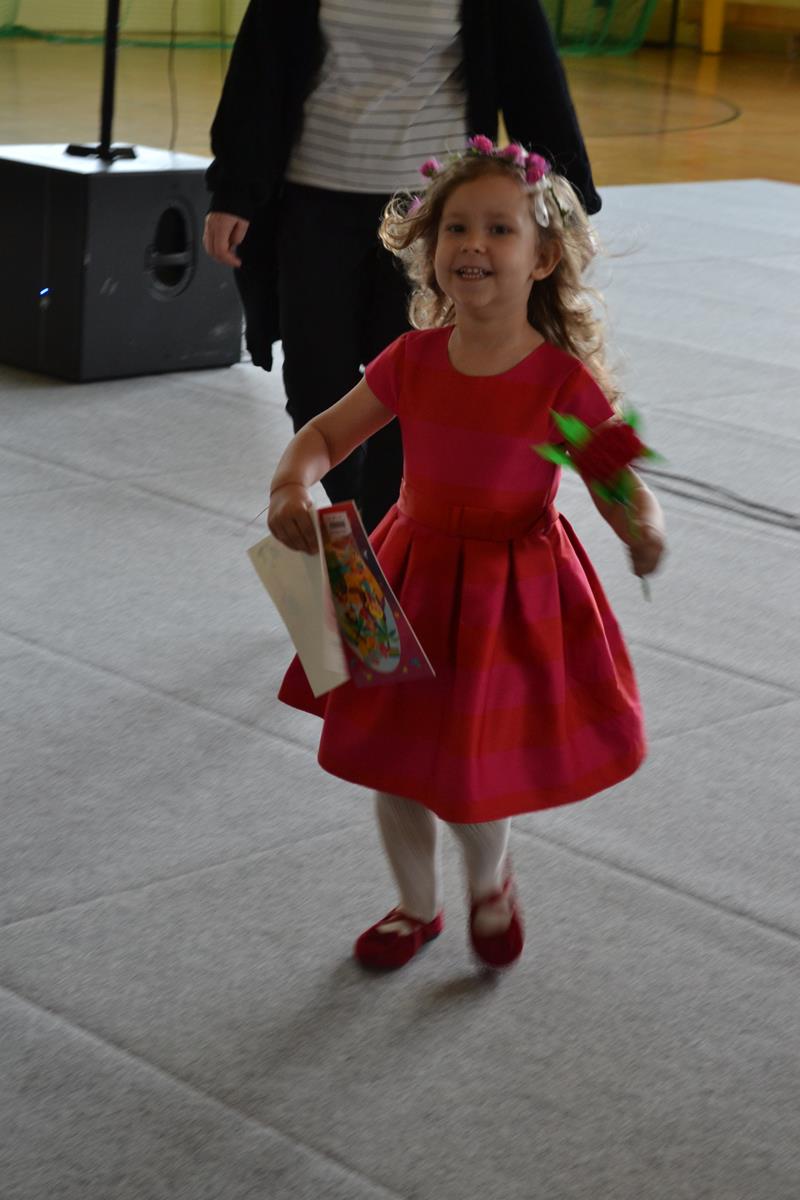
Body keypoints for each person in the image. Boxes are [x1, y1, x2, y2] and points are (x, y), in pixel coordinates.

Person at [267, 139, 666, 971]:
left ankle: (488, 882)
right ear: (430, 246)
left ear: (543, 257)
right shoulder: (411, 358)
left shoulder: (561, 380)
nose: (472, 245)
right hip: (401, 576)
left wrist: (642, 527)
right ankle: (416, 907)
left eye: (499, 229)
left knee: (469, 764)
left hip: (504, 594)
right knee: (391, 759)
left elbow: (615, 480)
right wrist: (290, 486)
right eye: (455, 227)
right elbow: (326, 434)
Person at [204, 0, 601, 532]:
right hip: (315, 198)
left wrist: (568, 207)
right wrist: (234, 191)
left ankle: (387, 537)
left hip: (435, 214)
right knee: (314, 380)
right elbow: (259, 71)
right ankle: (368, 528)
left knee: (411, 387)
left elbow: (534, 79)